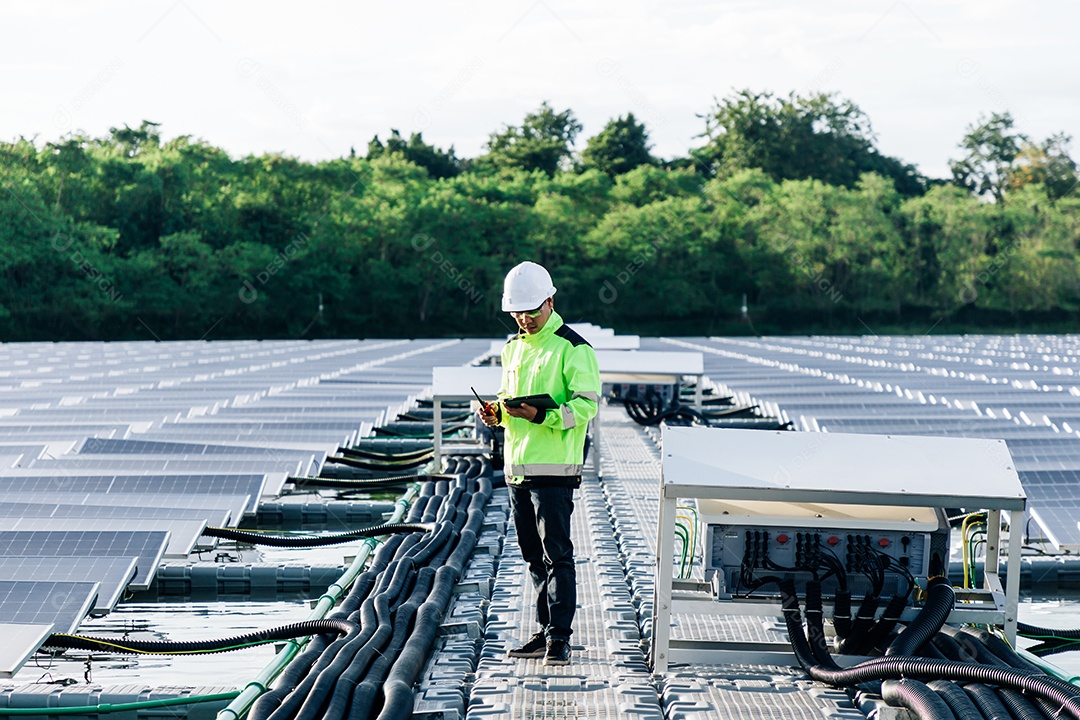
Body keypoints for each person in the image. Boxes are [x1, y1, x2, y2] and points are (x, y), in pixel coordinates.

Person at [479, 261, 600, 667]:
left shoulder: (574, 347)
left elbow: (585, 406)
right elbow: (506, 396)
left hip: (554, 470)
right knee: (533, 556)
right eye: (516, 313)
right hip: (518, 468)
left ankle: (559, 639)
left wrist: (541, 416)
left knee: (557, 555)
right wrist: (497, 413)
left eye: (530, 312)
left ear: (550, 301)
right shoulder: (512, 347)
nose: (524, 319)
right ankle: (545, 629)